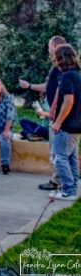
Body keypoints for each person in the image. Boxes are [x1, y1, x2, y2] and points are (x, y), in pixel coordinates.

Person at [18, 35, 66, 191]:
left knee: (58, 152)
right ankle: (65, 182)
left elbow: (63, 94)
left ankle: (59, 182)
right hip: (56, 117)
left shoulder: (61, 68)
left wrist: (52, 114)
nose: (48, 49)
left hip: (58, 118)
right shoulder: (59, 67)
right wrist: (29, 86)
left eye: (49, 45)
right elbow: (48, 87)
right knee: (61, 152)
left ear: (56, 46)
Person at [48, 44, 81, 201]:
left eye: (55, 57)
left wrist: (58, 122)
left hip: (67, 125)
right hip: (76, 124)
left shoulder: (67, 76)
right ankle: (73, 188)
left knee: (59, 158)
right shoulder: (77, 75)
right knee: (71, 159)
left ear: (61, 58)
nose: (54, 60)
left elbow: (68, 101)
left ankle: (68, 190)